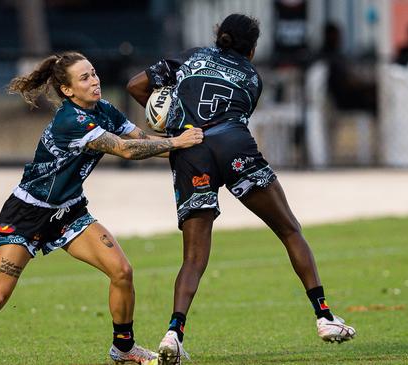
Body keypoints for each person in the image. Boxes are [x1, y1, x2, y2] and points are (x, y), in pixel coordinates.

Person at [0, 51, 204, 365]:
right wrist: (177, 143)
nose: (95, 81)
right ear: (68, 90)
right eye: (84, 77)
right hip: (26, 214)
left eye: (95, 73)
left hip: (68, 211)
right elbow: (127, 149)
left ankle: (124, 350)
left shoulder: (105, 111)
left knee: (122, 271)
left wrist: (198, 149)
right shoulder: (70, 120)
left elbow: (141, 139)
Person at [127, 14, 356, 365]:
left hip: (190, 151)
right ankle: (324, 317)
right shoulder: (252, 76)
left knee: (193, 256)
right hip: (233, 146)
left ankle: (174, 331)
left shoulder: (189, 57)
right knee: (289, 229)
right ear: (252, 48)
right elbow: (233, 114)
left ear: (218, 36)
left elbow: (135, 86)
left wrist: (167, 117)